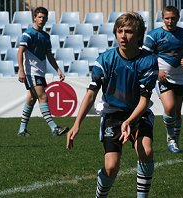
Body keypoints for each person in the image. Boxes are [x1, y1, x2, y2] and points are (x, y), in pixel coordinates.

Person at [66, 12, 158, 197]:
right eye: (120, 30)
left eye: (129, 31)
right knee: (111, 167)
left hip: (138, 114)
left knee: (146, 151)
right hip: (112, 116)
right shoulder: (105, 59)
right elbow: (91, 94)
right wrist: (77, 124)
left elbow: (144, 100)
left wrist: (129, 121)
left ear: (139, 35)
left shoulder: (148, 61)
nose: (123, 36)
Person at [143, 6, 183, 153]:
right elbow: (145, 58)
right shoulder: (154, 35)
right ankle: (170, 139)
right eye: (167, 18)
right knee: (170, 107)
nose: (170, 21)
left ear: (178, 18)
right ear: (162, 18)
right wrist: (157, 71)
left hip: (179, 77)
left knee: (177, 112)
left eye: (173, 18)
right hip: (162, 77)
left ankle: (175, 143)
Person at [17, 7, 68, 136]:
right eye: (39, 17)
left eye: (44, 17)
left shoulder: (45, 36)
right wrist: (21, 70)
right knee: (43, 97)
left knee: (31, 99)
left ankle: (22, 130)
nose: (42, 19)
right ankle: (54, 128)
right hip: (31, 72)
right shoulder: (28, 34)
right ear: (34, 18)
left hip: (40, 72)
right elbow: (20, 51)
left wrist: (58, 70)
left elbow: (49, 55)